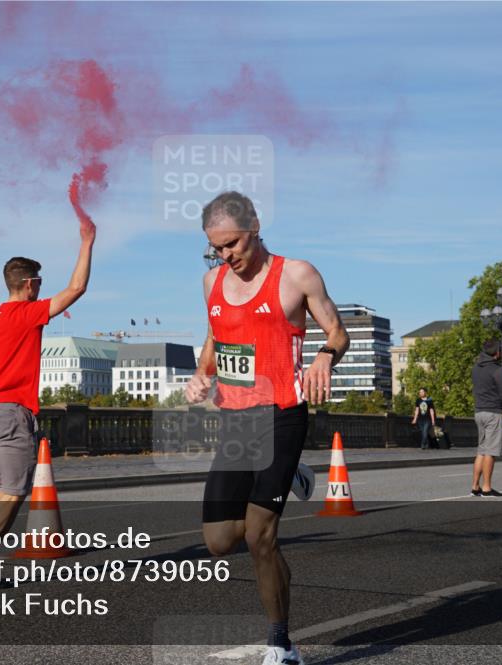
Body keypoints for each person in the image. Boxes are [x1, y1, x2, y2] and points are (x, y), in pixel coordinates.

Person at [185, 191, 349, 665]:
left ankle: (280, 644)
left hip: (282, 413)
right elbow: (215, 338)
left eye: (232, 244)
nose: (226, 255)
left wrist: (324, 356)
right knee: (218, 542)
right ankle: (293, 477)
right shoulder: (211, 282)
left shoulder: (296, 274)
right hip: (237, 420)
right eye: (216, 248)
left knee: (260, 535)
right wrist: (203, 376)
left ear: (255, 227)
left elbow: (337, 331)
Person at [0, 205, 95, 583]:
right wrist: (87, 241)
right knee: (14, 493)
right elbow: (77, 288)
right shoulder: (27, 314)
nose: (41, 287)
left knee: (3, 488)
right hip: (12, 414)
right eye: (40, 281)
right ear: (29, 284)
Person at [470, 339, 502, 497]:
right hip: (493, 412)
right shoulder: (498, 370)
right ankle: (487, 488)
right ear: (497, 353)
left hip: (479, 412)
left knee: (481, 451)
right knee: (491, 452)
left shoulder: (476, 368)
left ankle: (475, 487)